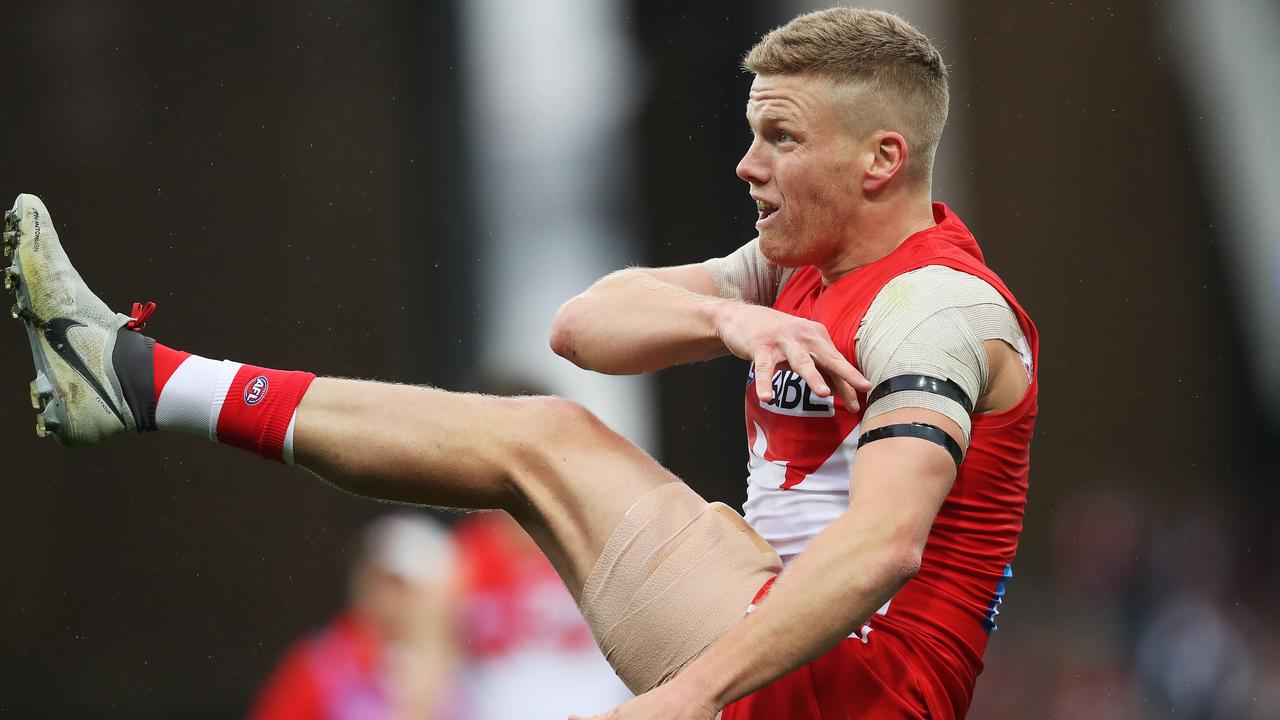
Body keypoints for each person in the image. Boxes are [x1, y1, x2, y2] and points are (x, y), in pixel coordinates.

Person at [3, 7, 1037, 719]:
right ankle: (138, 381)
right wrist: (728, 322)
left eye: (779, 137)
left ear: (879, 160)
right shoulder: (789, 271)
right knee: (538, 436)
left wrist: (692, 692)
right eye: (748, 133)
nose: (746, 165)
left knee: (540, 442)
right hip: (772, 641)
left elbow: (883, 548)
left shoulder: (934, 306)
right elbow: (582, 328)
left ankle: (142, 383)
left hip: (843, 685)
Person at [249, 512, 462, 720]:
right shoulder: (322, 663)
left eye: (403, 586)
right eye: (378, 578)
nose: (387, 596)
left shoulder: (465, 670)